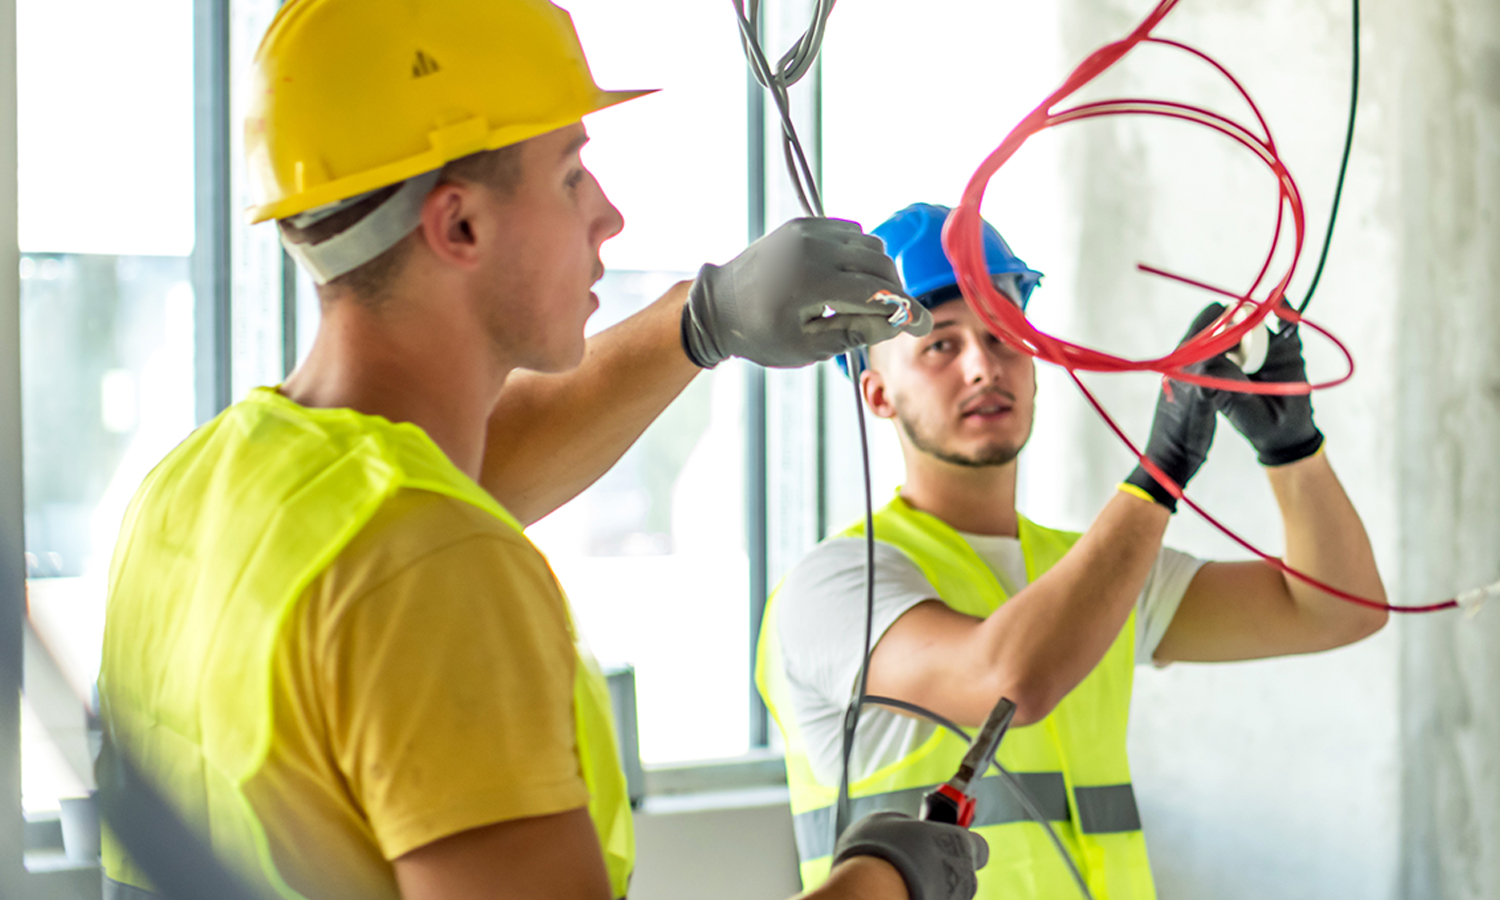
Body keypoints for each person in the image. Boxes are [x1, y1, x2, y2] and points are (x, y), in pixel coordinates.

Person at [95, 4, 988, 900]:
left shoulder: (196, 488)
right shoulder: (434, 572)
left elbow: (452, 480)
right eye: (570, 176)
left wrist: (702, 319)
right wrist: (875, 888)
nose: (610, 215)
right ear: (459, 228)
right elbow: (422, 554)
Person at [755, 202, 1389, 900]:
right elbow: (1010, 679)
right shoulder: (838, 586)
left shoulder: (1095, 572)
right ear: (877, 394)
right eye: (940, 345)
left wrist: (1293, 450)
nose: (981, 368)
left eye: (1002, 335)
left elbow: (1338, 609)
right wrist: (1162, 471)